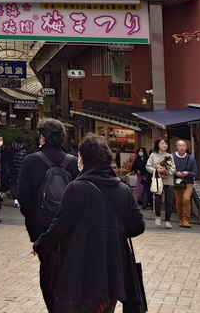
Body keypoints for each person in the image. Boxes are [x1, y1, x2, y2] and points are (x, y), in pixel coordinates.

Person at [32, 134, 146, 313]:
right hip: (111, 271)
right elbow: (137, 226)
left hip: (79, 270)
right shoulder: (123, 190)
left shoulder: (76, 188)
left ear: (84, 159)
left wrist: (40, 244)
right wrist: (110, 231)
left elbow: (60, 226)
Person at [16, 118, 79, 313]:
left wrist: (33, 220)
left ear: (42, 137)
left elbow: (23, 197)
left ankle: (54, 307)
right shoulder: (74, 163)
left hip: (41, 228)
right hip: (69, 229)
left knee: (47, 269)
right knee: (67, 268)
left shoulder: (31, 160)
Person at [146, 138, 175, 229]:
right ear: (158, 144)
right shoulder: (153, 155)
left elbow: (173, 168)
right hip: (158, 180)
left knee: (169, 201)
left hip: (168, 180)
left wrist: (167, 171)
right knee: (158, 200)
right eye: (162, 143)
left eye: (166, 143)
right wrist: (156, 170)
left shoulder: (169, 156)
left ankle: (167, 221)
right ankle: (157, 216)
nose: (165, 145)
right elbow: (147, 166)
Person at [171, 139, 198, 228]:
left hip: (188, 182)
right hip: (177, 182)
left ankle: (186, 219)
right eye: (180, 146)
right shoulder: (172, 157)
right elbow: (169, 170)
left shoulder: (191, 159)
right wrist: (176, 173)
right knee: (178, 201)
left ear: (186, 148)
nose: (182, 147)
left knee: (186, 199)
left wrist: (188, 173)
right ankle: (181, 219)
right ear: (176, 147)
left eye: (183, 146)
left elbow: (195, 172)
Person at [7, 139, 27, 207]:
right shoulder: (23, 151)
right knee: (20, 185)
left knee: (13, 184)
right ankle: (18, 199)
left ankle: (15, 198)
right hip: (20, 170)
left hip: (12, 170)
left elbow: (8, 160)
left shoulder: (11, 150)